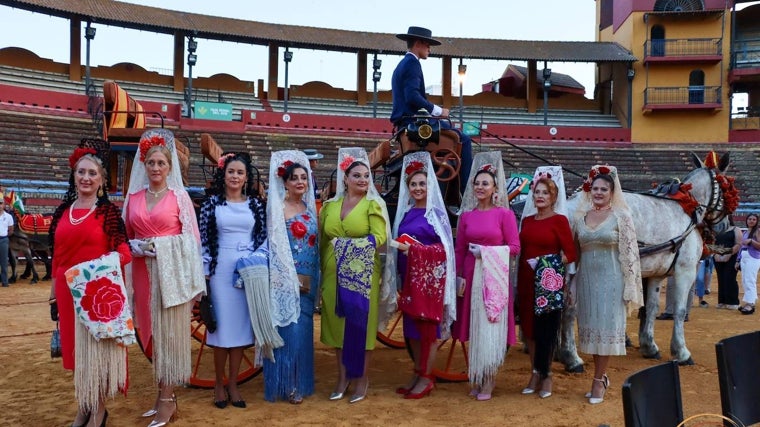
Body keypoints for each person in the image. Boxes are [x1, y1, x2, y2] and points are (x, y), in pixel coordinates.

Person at [123, 129, 205, 427]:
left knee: (169, 336)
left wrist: (162, 247)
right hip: (143, 273)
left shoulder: (179, 197)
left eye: (161, 163)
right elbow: (126, 236)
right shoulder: (133, 199)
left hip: (171, 276)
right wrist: (133, 246)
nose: (156, 168)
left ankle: (168, 399)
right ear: (143, 165)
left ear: (170, 168)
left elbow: (191, 240)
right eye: (151, 163)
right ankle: (161, 395)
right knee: (152, 337)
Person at [49, 138, 132, 427]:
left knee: (94, 354)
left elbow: (124, 254)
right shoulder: (62, 212)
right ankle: (84, 406)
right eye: (81, 172)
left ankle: (97, 411)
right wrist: (52, 295)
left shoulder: (108, 213)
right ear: (74, 175)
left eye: (92, 173)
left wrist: (92, 270)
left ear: (101, 180)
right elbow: (57, 257)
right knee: (75, 353)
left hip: (95, 295)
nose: (86, 177)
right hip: (65, 291)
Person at [319, 147, 395, 404]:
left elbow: (381, 237)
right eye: (357, 175)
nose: (363, 180)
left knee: (360, 325)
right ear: (346, 179)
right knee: (337, 325)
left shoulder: (373, 205)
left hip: (362, 274)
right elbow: (322, 240)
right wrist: (321, 272)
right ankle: (342, 378)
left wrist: (356, 245)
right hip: (332, 272)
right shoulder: (330, 206)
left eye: (366, 176)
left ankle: (361, 379)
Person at [199, 151, 266, 408]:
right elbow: (204, 240)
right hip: (220, 270)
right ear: (223, 175)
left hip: (247, 270)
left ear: (246, 177)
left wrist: (255, 262)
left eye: (240, 172)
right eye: (231, 172)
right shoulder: (211, 205)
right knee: (222, 331)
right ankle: (218, 383)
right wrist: (204, 273)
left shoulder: (256, 205)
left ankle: (234, 384)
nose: (235, 176)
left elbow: (262, 239)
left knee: (239, 331)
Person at [571, 165, 643, 405]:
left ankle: (598, 379)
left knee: (606, 330)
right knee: (591, 330)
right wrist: (571, 283)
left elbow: (631, 254)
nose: (599, 192)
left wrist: (630, 285)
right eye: (595, 188)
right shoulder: (580, 219)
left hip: (612, 281)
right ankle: (599, 376)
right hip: (587, 282)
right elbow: (575, 255)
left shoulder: (622, 217)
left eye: (604, 189)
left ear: (613, 192)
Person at [453, 151, 520, 401]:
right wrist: (459, 275)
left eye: (486, 183)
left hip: (494, 277)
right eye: (477, 183)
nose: (480, 187)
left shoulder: (504, 215)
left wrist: (486, 252)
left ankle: (489, 379)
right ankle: (478, 375)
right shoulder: (467, 216)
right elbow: (460, 249)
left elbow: (514, 247)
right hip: (471, 275)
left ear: (495, 188)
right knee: (475, 325)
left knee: (490, 326)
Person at [391, 152, 456, 399]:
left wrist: (415, 250)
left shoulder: (436, 215)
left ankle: (428, 377)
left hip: (429, 282)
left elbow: (444, 250)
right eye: (413, 184)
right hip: (409, 278)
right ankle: (419, 371)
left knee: (428, 332)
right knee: (412, 330)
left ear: (430, 187)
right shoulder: (407, 213)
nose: (418, 188)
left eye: (422, 184)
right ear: (408, 188)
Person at [263, 150, 319, 403]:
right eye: (294, 178)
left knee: (305, 330)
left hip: (309, 277)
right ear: (284, 182)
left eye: (303, 178)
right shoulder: (279, 208)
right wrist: (285, 275)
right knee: (290, 330)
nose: (300, 182)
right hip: (287, 276)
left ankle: (299, 382)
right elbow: (274, 246)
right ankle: (285, 381)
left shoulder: (310, 208)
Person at [518, 167, 576, 399]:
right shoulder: (528, 221)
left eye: (545, 193)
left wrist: (546, 263)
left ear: (553, 197)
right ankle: (535, 371)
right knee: (530, 328)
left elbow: (570, 253)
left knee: (547, 330)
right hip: (525, 279)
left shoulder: (559, 221)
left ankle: (548, 374)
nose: (540, 196)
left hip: (548, 282)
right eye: (537, 192)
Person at [391, 26, 473, 190]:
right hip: (413, 123)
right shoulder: (412, 64)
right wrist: (439, 111)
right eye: (428, 45)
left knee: (450, 129)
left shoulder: (403, 64)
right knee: (464, 139)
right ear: (419, 43)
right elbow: (412, 97)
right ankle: (465, 192)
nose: (429, 49)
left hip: (406, 122)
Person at [713, 217, 742, 310]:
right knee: (721, 278)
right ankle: (722, 301)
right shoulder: (716, 229)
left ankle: (733, 301)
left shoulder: (736, 229)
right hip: (717, 257)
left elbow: (738, 243)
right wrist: (715, 254)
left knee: (730, 278)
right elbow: (712, 242)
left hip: (732, 257)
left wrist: (729, 254)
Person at [736, 213, 759, 315]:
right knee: (745, 280)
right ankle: (750, 302)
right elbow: (741, 248)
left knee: (750, 279)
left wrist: (751, 241)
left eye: (754, 219)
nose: (751, 221)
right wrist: (737, 260)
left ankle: (750, 304)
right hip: (745, 256)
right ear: (747, 220)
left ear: (757, 221)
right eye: (750, 219)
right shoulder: (745, 232)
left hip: (753, 257)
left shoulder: (758, 231)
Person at [0, 196, 12, 287]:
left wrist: (5, 236)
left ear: (4, 205)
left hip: (3, 239)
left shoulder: (8, 216)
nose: (0, 206)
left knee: (4, 262)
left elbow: (11, 229)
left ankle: (4, 281)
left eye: (1, 204)